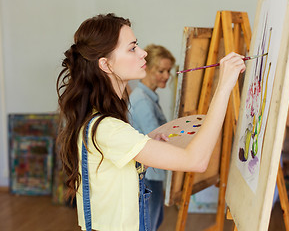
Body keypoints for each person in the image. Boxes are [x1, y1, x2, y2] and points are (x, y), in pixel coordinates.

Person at [56, 13, 245, 231]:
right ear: (105, 64)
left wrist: (145, 144)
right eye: (132, 48)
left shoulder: (101, 120)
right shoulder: (108, 128)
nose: (143, 53)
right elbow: (196, 161)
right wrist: (224, 87)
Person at [128, 44, 175, 231]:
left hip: (150, 174)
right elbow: (155, 141)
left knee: (152, 221)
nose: (166, 76)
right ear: (146, 68)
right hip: (146, 175)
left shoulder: (148, 97)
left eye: (168, 71)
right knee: (147, 225)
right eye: (160, 70)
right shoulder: (141, 100)